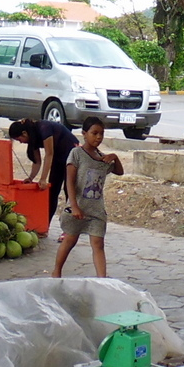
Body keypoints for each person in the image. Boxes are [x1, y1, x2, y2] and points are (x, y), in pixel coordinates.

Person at [54, 116, 122, 278]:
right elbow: (69, 181)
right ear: (84, 134)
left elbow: (119, 171)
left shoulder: (103, 158)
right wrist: (74, 205)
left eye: (101, 134)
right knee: (70, 240)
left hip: (96, 211)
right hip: (77, 208)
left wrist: (115, 157)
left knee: (98, 243)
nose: (98, 137)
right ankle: (57, 271)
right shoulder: (76, 154)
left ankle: (102, 279)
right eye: (94, 133)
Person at [8, 118, 79, 225]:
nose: (21, 142)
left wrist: (43, 179)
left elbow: (49, 153)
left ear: (24, 133)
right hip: (58, 157)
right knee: (52, 192)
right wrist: (31, 178)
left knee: (69, 190)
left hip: (71, 153)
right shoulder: (32, 138)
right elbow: (37, 162)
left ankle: (70, 229)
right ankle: (45, 225)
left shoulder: (44, 128)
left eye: (19, 139)